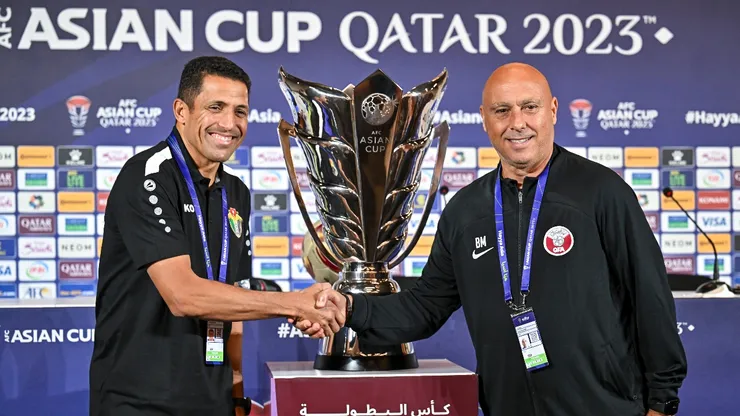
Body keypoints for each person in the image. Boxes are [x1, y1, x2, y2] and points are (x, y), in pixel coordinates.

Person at [293, 62, 688, 416]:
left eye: (529, 107)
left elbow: (649, 297)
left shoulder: (601, 192)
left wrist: (662, 402)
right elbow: (425, 307)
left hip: (604, 407)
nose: (517, 122)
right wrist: (349, 308)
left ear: (552, 110)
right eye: (502, 110)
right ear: (484, 119)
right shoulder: (466, 210)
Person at [89, 56, 344, 416]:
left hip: (213, 400)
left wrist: (235, 392)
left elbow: (232, 298)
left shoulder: (236, 192)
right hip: (140, 400)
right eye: (215, 107)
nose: (229, 123)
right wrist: (293, 303)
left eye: (240, 112)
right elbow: (183, 296)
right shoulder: (147, 177)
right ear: (181, 111)